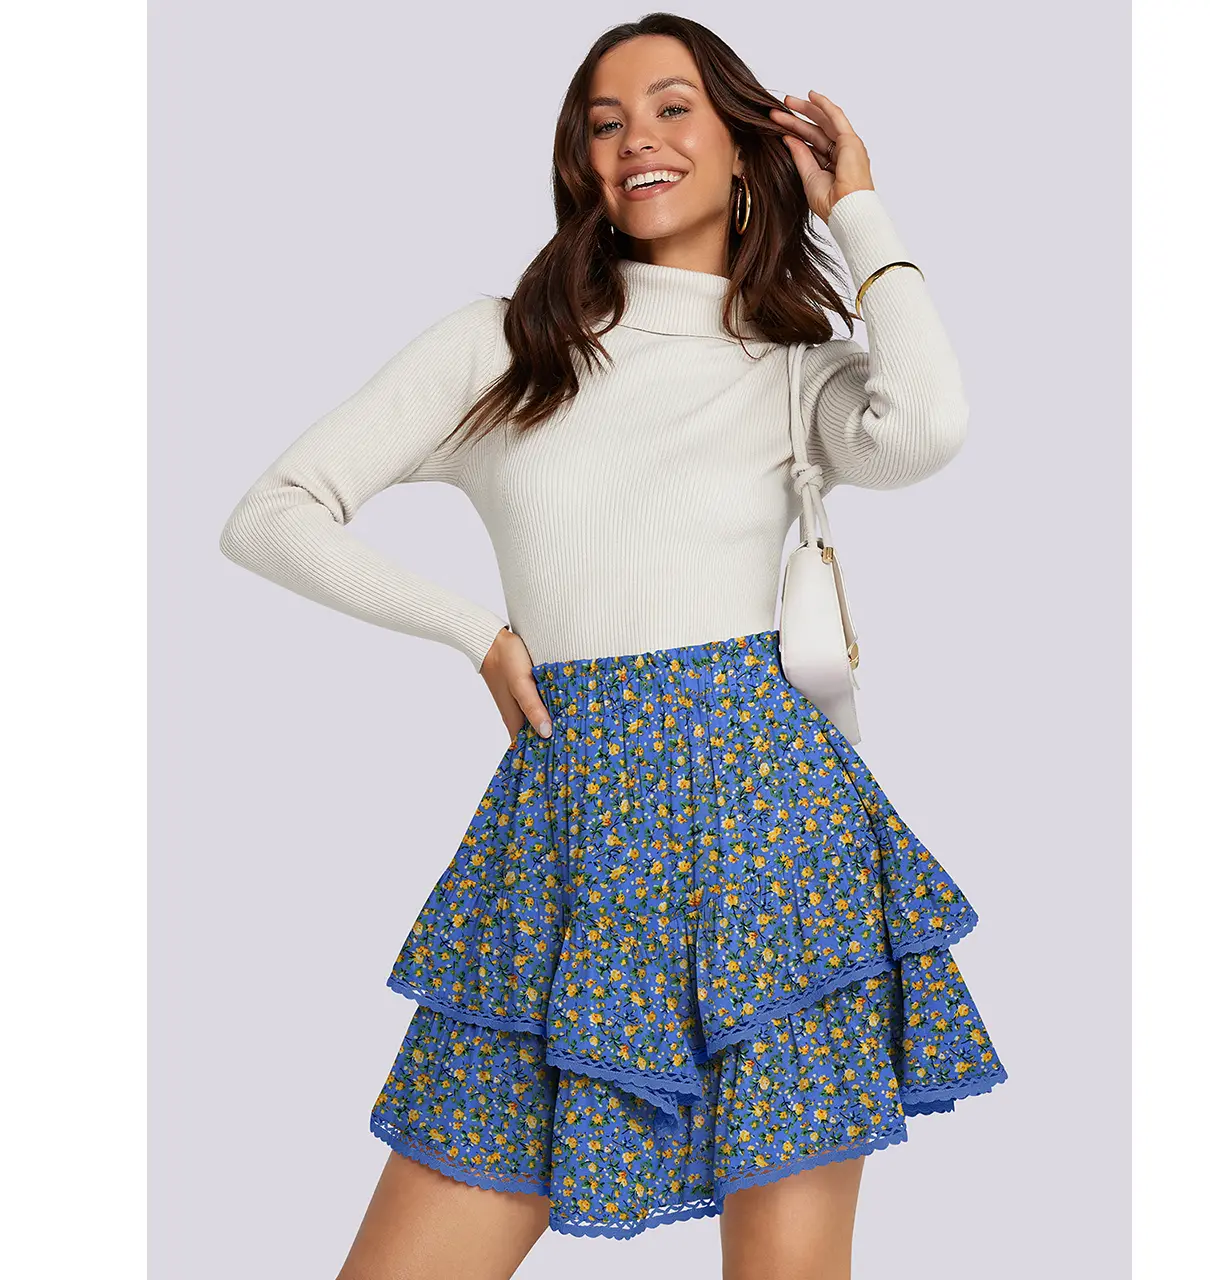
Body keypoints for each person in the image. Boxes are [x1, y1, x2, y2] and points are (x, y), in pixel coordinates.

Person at [219, 13, 1008, 1280]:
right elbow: (271, 514)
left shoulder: (793, 369)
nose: (635, 137)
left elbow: (925, 426)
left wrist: (857, 209)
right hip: (563, 846)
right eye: (604, 121)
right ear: (579, 160)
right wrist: (474, 633)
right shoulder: (505, 345)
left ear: (745, 145)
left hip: (774, 842)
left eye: (671, 107)